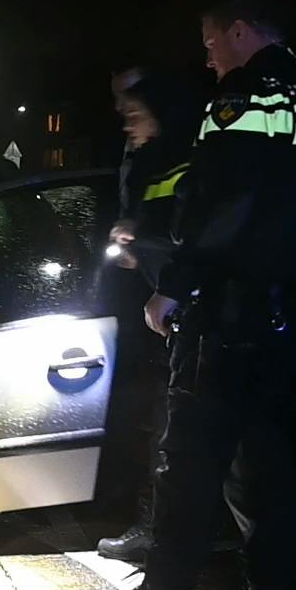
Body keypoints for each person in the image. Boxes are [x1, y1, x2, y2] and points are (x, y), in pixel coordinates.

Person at [97, 0, 296, 590]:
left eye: (211, 43)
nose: (209, 60)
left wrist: (173, 287)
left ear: (241, 30)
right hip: (289, 318)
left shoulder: (244, 98)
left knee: (189, 465)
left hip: (228, 315)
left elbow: (220, 206)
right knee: (264, 467)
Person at [95, 67, 207, 561]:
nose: (125, 123)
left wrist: (144, 251)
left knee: (174, 432)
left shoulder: (181, 166)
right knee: (173, 429)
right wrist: (133, 237)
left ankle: (160, 537)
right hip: (170, 320)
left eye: (134, 114)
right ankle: (165, 529)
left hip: (187, 320)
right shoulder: (155, 162)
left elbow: (191, 242)